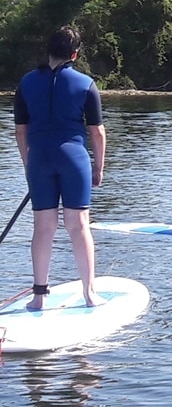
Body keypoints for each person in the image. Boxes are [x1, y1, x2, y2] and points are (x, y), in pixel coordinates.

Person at [14, 26, 106, 310]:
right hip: (73, 158)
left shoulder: (26, 83)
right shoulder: (86, 84)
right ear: (74, 54)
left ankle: (39, 296)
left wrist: (28, 163)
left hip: (39, 158)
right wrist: (99, 168)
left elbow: (20, 131)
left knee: (43, 227)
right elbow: (97, 133)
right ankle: (89, 293)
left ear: (49, 50)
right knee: (78, 226)